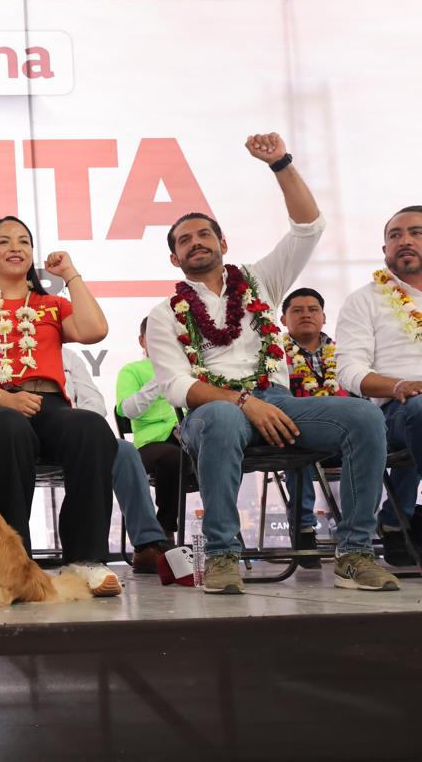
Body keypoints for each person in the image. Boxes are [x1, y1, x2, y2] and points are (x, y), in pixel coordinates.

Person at [146, 132, 396, 595]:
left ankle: (355, 552)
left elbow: (309, 227)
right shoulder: (165, 314)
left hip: (280, 403)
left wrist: (280, 163)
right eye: (185, 240)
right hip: (213, 412)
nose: (196, 243)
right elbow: (177, 386)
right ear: (174, 257)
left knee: (362, 414)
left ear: (222, 241)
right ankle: (222, 555)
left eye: (204, 234)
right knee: (220, 417)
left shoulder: (259, 281)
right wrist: (243, 403)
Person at [0, 216, 120, 597]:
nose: (15, 247)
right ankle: (10, 561)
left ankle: (84, 559)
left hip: (47, 405)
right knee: (9, 427)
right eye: (4, 242)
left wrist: (69, 274)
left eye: (24, 241)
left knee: (90, 428)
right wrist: (6, 400)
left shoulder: (51, 305)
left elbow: (94, 330)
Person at [335, 206, 422, 567]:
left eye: (416, 232)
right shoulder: (364, 300)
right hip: (395, 410)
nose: (405, 240)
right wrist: (397, 384)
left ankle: (395, 517)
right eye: (395, 235)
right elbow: (349, 369)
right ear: (384, 249)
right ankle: (397, 518)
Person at [62, 349, 172, 574]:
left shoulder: (68, 356)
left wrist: (75, 427)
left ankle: (146, 543)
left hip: (72, 433)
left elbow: (94, 402)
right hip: (21, 435)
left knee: (124, 451)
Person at [279, 287, 349, 568]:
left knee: (378, 441)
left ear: (323, 316)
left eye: (312, 309)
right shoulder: (272, 357)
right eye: (297, 310)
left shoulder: (345, 353)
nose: (306, 314)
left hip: (343, 437)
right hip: (300, 435)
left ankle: (370, 532)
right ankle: (304, 530)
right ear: (283, 320)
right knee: (297, 446)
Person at [115, 317, 187, 540]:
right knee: (174, 458)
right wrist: (160, 379)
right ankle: (164, 532)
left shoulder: (189, 367)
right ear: (142, 341)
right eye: (155, 337)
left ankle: (224, 533)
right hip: (151, 445)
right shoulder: (132, 371)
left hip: (190, 438)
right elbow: (128, 410)